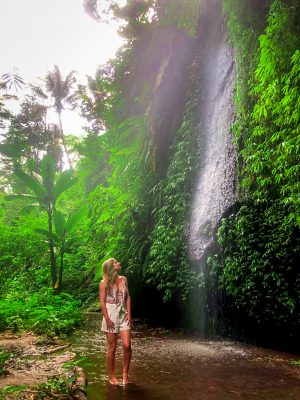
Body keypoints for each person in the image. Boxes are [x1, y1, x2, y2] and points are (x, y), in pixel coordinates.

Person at [99, 258, 132, 385]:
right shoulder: (104, 283)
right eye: (116, 262)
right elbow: (102, 301)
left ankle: (125, 374)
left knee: (127, 345)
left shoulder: (124, 279)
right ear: (111, 267)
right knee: (112, 347)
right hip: (110, 314)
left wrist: (129, 314)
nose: (119, 263)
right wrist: (107, 318)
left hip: (123, 314)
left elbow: (128, 297)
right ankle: (112, 376)